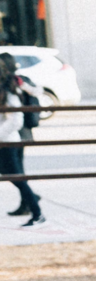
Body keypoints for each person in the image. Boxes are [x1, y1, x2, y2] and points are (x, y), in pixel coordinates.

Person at [0, 55, 43, 226]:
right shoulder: (7, 87)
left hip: (11, 139)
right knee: (15, 176)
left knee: (18, 177)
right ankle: (30, 200)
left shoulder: (12, 87)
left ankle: (36, 211)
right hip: (9, 139)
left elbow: (15, 118)